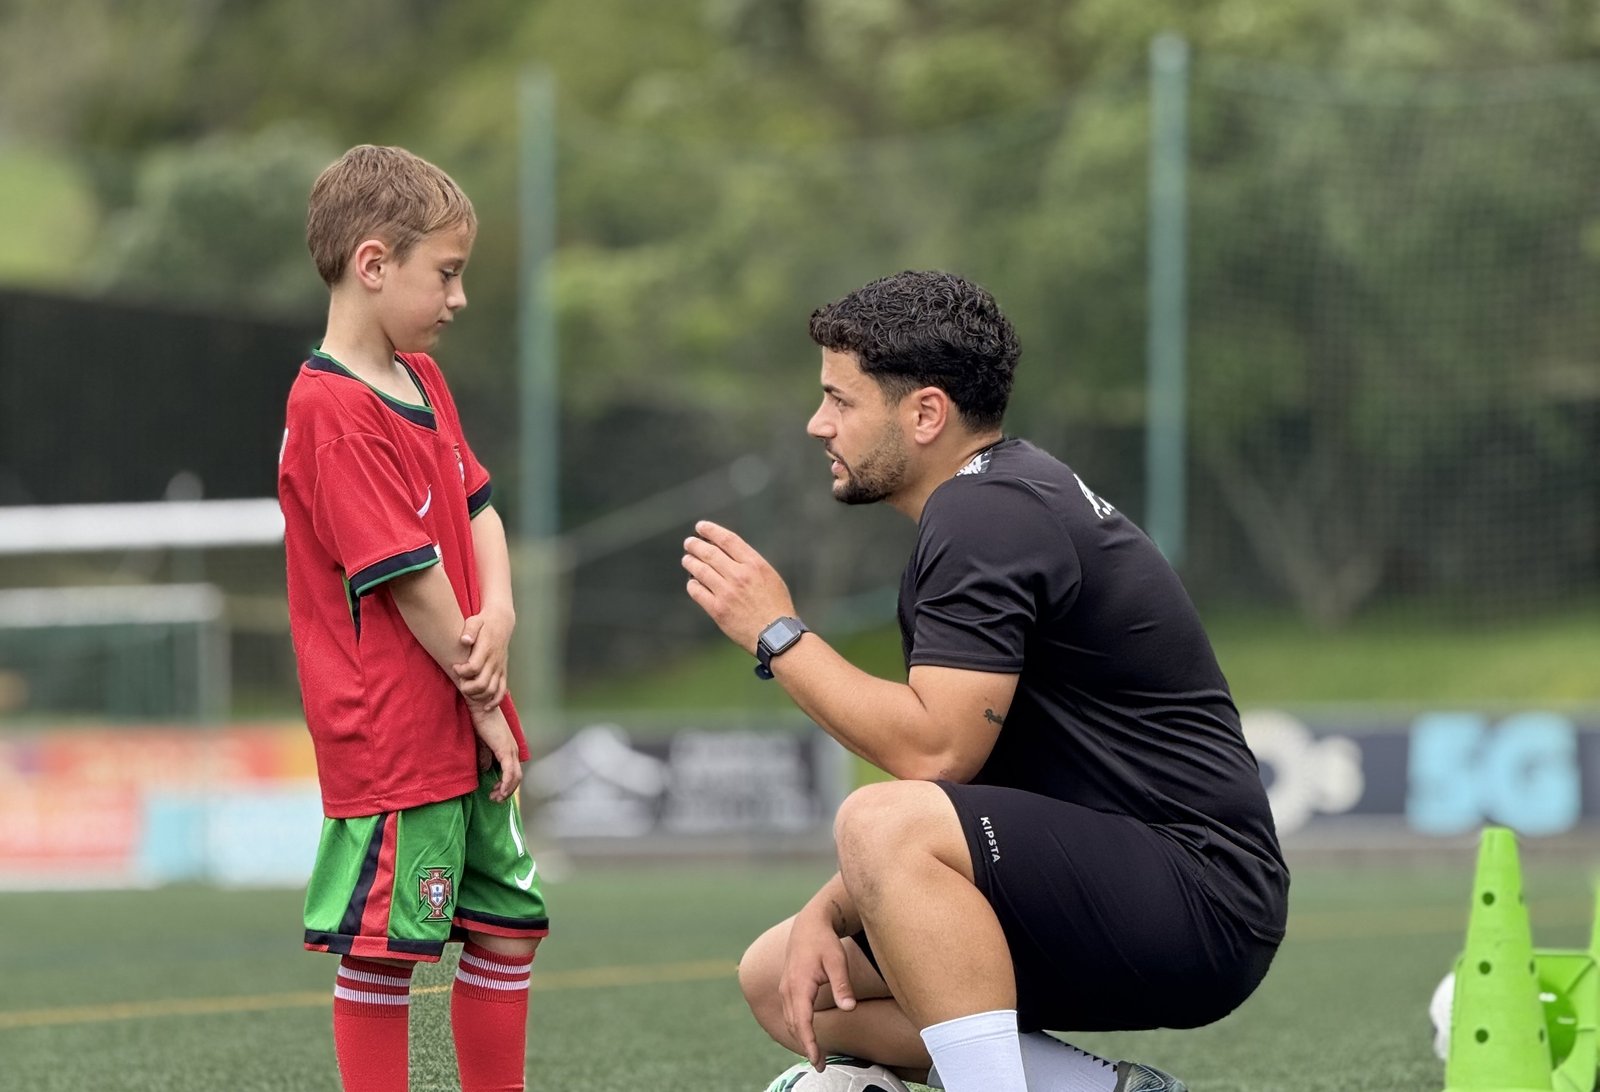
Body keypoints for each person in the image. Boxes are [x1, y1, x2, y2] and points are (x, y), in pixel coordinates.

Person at [682, 270, 1287, 1092]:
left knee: (881, 818)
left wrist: (777, 632)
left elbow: (935, 754)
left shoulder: (988, 513)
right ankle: (1100, 1091)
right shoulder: (993, 498)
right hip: (1126, 878)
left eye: (840, 399)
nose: (817, 422)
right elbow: (975, 780)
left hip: (1201, 895)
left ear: (926, 413)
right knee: (782, 976)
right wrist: (834, 904)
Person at [278, 144, 548, 1092]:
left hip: (467, 708)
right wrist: (482, 699)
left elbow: (477, 513)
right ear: (374, 263)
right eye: (448, 273)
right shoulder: (331, 409)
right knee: (386, 951)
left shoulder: (425, 383)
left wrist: (504, 609)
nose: (458, 298)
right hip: (399, 734)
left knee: (507, 932)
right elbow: (408, 578)